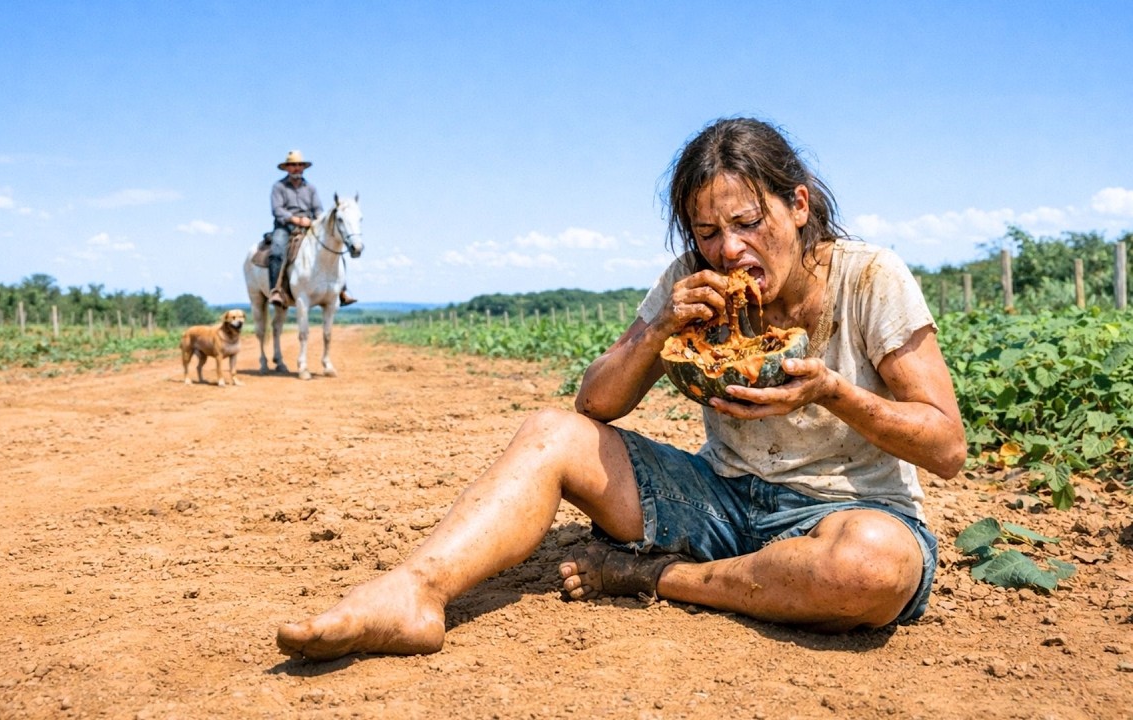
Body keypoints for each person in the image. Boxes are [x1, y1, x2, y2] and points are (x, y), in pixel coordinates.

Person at [274, 117, 967, 661]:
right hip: (722, 501)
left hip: (845, 516)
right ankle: (414, 592)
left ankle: (654, 578)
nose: (727, 250)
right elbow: (594, 406)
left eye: (748, 223)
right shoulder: (686, 281)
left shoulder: (870, 278)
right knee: (549, 434)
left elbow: (946, 447)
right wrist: (660, 329)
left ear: (797, 206)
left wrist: (832, 393)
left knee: (870, 567)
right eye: (707, 232)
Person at [268, 150, 356, 307]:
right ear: (287, 168)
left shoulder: (311, 188)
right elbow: (277, 209)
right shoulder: (279, 187)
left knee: (335, 248)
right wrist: (294, 218)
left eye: (299, 165)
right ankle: (277, 290)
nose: (297, 168)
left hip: (309, 227)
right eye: (293, 165)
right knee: (276, 250)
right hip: (285, 227)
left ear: (303, 167)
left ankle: (342, 290)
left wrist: (315, 220)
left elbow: (318, 210)